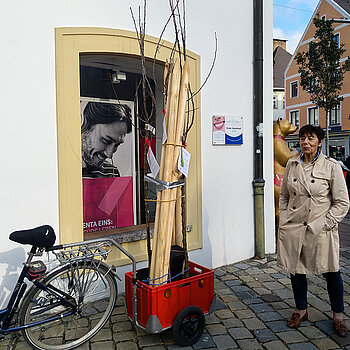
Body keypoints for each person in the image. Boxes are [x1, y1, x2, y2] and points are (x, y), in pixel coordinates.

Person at [277, 124, 350, 337]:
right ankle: (301, 310)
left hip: (321, 229)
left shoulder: (331, 166)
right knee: (296, 271)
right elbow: (284, 196)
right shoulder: (291, 164)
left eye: (310, 138)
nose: (305, 142)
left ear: (320, 142)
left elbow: (342, 203)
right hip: (295, 228)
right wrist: (284, 218)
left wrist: (326, 224)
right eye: (302, 138)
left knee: (331, 272)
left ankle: (338, 315)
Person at [81, 102, 132, 178]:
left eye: (117, 145)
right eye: (105, 141)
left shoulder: (111, 172)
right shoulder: (60, 166)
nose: (109, 155)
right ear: (85, 127)